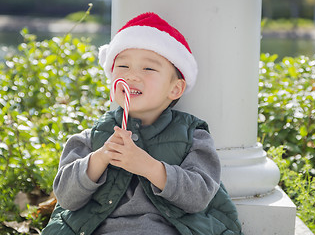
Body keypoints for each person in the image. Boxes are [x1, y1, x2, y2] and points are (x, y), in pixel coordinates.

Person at [42, 12, 243, 235]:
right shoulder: (91, 138)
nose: (132, 76)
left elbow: (199, 197)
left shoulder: (193, 136)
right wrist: (100, 157)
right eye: (123, 67)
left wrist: (148, 166)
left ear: (175, 88)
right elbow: (66, 197)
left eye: (148, 68)